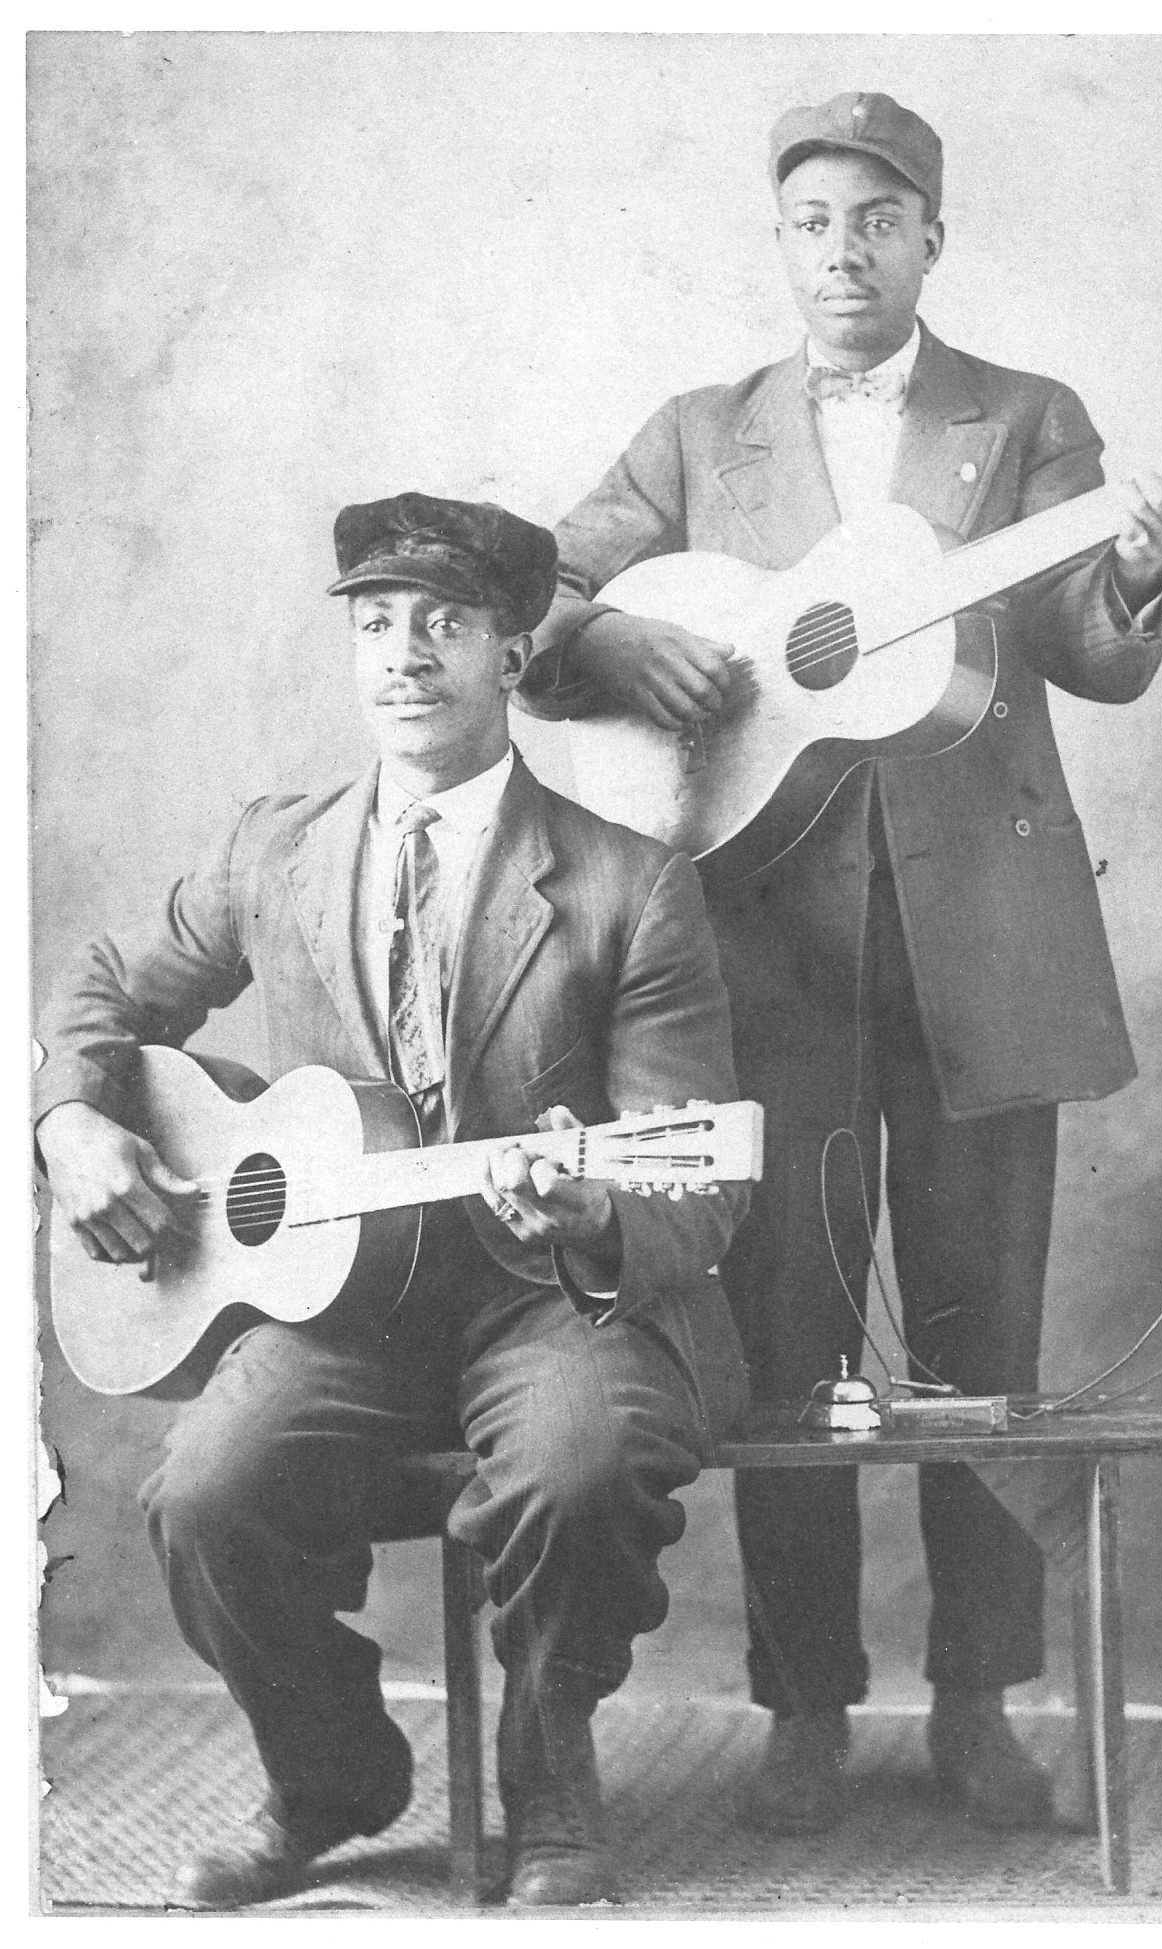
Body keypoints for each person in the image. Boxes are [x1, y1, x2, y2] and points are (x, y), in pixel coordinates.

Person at [519, 91, 1162, 1834]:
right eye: (812, 220)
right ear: (783, 241)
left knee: (983, 1342)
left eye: (877, 220)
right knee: (782, 1338)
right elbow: (530, 600)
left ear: (929, 239)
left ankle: (980, 1704)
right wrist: (608, 639)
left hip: (985, 938)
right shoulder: (699, 433)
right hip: (763, 954)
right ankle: (805, 1713)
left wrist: (1135, 562)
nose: (843, 250)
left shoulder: (1026, 417)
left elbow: (1094, 652)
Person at [35, 492, 751, 1908]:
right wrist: (65, 1120)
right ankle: (331, 1774)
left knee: (580, 1464)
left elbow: (695, 1184)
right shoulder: (276, 850)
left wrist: (588, 1209)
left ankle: (550, 1774)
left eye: (444, 623)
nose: (404, 654)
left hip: (545, 1295)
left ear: (512, 650)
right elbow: (106, 985)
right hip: (340, 1301)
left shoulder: (630, 884)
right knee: (204, 1494)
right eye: (374, 624)